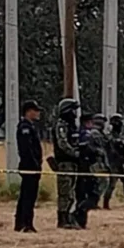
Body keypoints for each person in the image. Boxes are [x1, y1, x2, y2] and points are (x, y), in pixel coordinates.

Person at [51, 98, 80, 229]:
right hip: (64, 163)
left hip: (73, 163)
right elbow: (63, 144)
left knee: (71, 194)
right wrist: (75, 153)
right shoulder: (61, 125)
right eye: (73, 110)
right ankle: (62, 219)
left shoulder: (72, 126)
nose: (75, 113)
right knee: (65, 193)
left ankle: (68, 217)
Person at [15, 100, 43, 233]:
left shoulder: (30, 126)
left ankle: (21, 223)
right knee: (28, 196)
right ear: (28, 111)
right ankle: (26, 223)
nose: (38, 113)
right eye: (35, 110)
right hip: (29, 166)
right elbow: (26, 150)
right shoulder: (25, 127)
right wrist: (34, 165)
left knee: (27, 195)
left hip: (32, 166)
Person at [104, 113, 124, 209]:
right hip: (114, 163)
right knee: (111, 184)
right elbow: (106, 150)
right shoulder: (109, 137)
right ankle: (106, 203)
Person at [91, 114, 111, 211]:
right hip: (95, 162)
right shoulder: (95, 133)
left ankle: (94, 201)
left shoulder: (100, 133)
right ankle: (93, 201)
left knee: (101, 182)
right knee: (102, 181)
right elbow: (100, 147)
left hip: (100, 162)